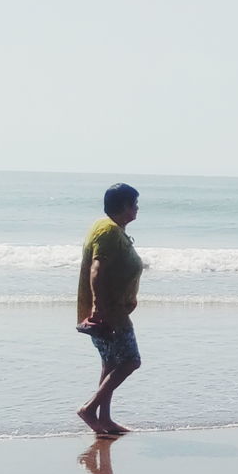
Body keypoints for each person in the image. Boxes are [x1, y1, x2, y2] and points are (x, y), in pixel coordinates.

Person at [77, 183, 143, 435]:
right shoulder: (107, 232)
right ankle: (89, 409)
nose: (137, 208)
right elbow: (97, 270)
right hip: (109, 313)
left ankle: (104, 419)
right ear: (124, 206)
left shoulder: (108, 228)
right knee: (130, 361)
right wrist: (99, 308)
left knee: (111, 362)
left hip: (112, 310)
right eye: (134, 203)